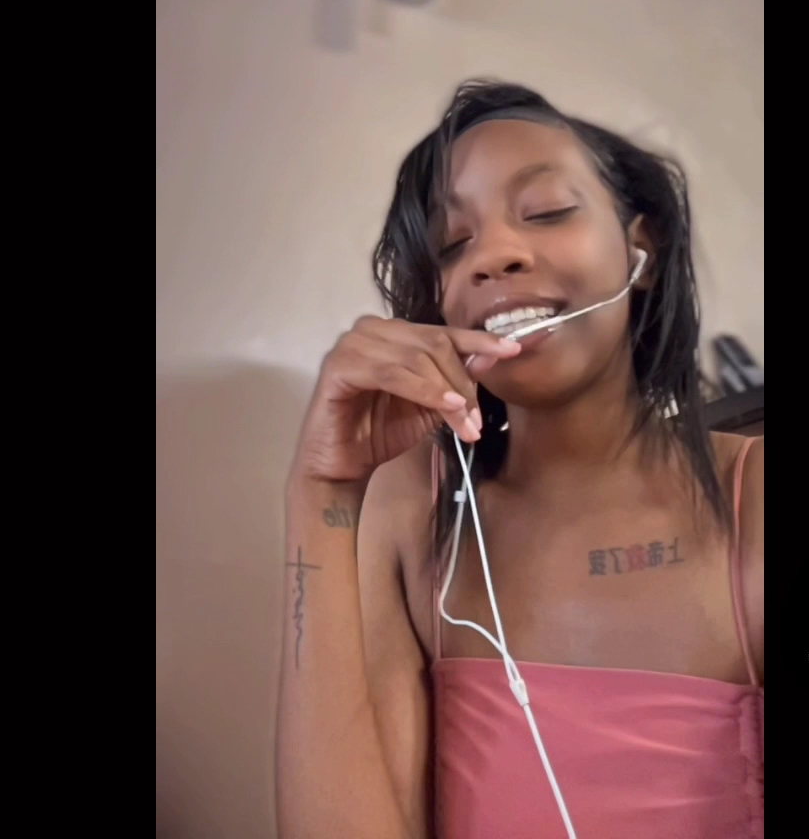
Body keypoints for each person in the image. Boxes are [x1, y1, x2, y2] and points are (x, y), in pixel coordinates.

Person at [275, 81, 764, 838]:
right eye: (452, 244)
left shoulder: (750, 496)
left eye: (546, 211)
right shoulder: (412, 505)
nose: (494, 256)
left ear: (642, 253)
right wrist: (322, 494)